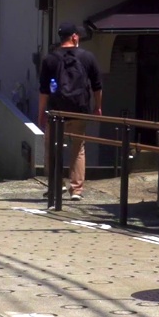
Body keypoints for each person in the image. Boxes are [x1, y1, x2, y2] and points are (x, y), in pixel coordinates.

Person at [37, 22, 103, 200]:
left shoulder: (49, 59)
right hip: (79, 109)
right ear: (74, 37)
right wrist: (97, 106)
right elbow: (97, 86)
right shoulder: (87, 57)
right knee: (78, 148)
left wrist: (41, 113)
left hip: (56, 111)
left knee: (52, 148)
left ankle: (56, 186)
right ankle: (76, 190)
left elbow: (44, 90)